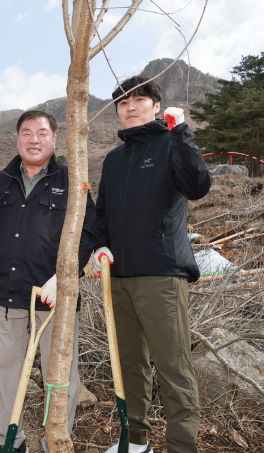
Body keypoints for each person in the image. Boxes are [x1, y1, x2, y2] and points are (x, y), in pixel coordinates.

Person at [0, 110, 98, 453]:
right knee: (8, 373)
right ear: (17, 139)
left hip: (56, 298)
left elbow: (89, 232)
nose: (34, 139)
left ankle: (57, 440)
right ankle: (9, 443)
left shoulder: (72, 180)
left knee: (60, 376)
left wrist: (63, 277)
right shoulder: (2, 181)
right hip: (9, 295)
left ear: (54, 139)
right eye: (26, 132)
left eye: (41, 132)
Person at [93, 75, 211, 453]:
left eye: (139, 99)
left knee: (173, 366)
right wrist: (99, 248)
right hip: (119, 278)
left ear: (156, 106)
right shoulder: (113, 159)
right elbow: (102, 214)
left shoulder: (171, 142)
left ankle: (181, 446)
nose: (130, 106)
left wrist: (183, 134)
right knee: (130, 366)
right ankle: (136, 440)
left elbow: (198, 185)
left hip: (161, 275)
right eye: (123, 102)